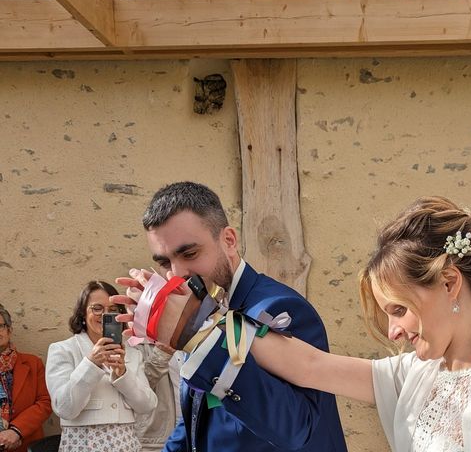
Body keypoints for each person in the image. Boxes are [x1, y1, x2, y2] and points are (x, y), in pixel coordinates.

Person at [202, 197, 471, 451]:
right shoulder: (422, 372)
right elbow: (310, 366)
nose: (392, 332)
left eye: (399, 310)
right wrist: (202, 322)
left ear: (449, 283)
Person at [114, 181, 347, 452]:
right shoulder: (197, 310)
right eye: (165, 263)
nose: (177, 275)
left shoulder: (283, 308)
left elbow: (296, 429)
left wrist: (200, 340)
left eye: (190, 253)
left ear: (229, 241)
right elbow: (198, 416)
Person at [45, 281, 157, 452]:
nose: (105, 315)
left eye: (113, 310)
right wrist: (91, 363)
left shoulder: (132, 353)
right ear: (83, 313)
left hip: (126, 443)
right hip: (82, 444)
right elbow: (64, 408)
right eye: (97, 308)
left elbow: (147, 406)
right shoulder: (63, 350)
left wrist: (123, 375)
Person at [0, 305, 51, 452]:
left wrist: (16, 431)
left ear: (9, 330)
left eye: (0, 326)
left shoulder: (33, 363)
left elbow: (45, 402)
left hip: (25, 444)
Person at [134, 342, 183, 452]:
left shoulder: (192, 334)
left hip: (191, 434)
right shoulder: (133, 340)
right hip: (154, 441)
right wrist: (161, 355)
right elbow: (136, 390)